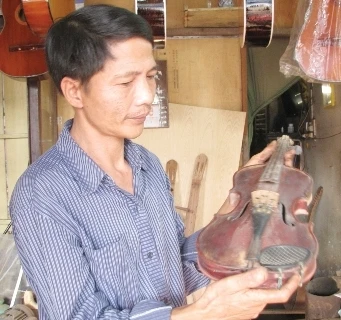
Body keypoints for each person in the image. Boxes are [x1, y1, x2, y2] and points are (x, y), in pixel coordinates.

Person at [9, 4, 300, 320]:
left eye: (150, 76)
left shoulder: (146, 165)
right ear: (75, 92)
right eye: (126, 82)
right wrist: (203, 313)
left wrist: (237, 201)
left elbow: (176, 265)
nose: (147, 95)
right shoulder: (41, 194)